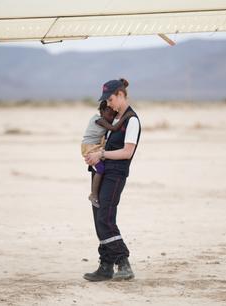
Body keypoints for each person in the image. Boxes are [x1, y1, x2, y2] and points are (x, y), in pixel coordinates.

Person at [83, 78, 141, 282]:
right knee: (98, 217)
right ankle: (106, 266)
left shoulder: (131, 120)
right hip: (101, 172)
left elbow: (127, 152)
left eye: (110, 99)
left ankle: (123, 262)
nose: (108, 104)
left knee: (105, 218)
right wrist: (93, 154)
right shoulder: (114, 118)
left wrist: (102, 155)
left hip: (115, 174)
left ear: (120, 95)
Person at [81, 100, 135, 207]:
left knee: (101, 164)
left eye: (113, 116)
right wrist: (126, 116)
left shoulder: (105, 119)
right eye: (109, 114)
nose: (111, 118)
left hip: (95, 146)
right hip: (89, 147)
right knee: (100, 168)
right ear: (101, 111)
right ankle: (94, 194)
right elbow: (114, 128)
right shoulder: (99, 120)